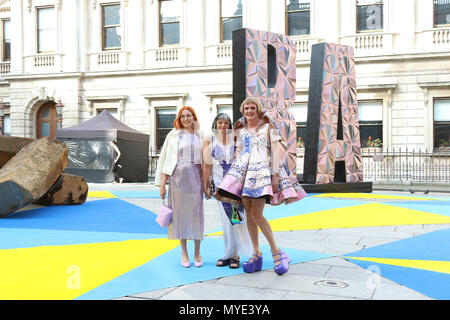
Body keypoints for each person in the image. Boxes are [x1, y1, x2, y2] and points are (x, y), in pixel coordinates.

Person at [214, 97, 307, 275]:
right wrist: (235, 179)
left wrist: (274, 175)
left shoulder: (268, 128)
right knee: (249, 214)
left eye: (252, 107)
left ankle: (277, 252)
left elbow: (277, 151)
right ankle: (256, 254)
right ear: (243, 110)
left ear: (258, 109)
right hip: (244, 174)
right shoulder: (240, 130)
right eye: (246, 108)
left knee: (256, 214)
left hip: (262, 173)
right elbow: (239, 153)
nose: (249, 110)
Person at [154, 106, 205, 268]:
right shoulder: (173, 135)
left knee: (196, 215)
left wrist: (207, 184)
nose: (186, 119)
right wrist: (162, 185)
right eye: (183, 116)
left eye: (189, 116)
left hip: (196, 181)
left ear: (194, 117)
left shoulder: (201, 135)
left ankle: (197, 252)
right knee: (180, 216)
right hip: (177, 181)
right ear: (179, 118)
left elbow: (207, 162)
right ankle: (184, 252)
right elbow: (165, 160)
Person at [202, 113, 252, 269]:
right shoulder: (209, 139)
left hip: (235, 184)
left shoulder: (236, 139)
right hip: (219, 186)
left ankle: (236, 254)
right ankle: (228, 252)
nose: (223, 126)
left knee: (236, 218)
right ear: (215, 124)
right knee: (225, 219)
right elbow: (207, 165)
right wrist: (206, 184)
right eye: (220, 123)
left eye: (226, 123)